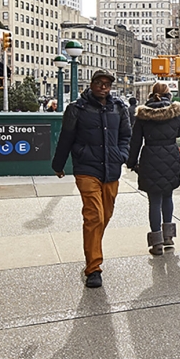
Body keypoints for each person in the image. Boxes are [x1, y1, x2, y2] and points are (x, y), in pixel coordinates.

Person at [52, 69, 131, 288]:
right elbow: (66, 138)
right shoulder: (77, 109)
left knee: (105, 215)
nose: (103, 87)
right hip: (87, 168)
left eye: (107, 84)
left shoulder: (118, 108)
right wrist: (58, 164)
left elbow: (126, 136)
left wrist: (122, 155)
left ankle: (92, 246)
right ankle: (93, 268)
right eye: (99, 83)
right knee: (94, 216)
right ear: (91, 84)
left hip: (111, 168)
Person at [127, 81, 180, 255]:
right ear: (168, 94)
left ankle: (157, 243)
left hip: (150, 157)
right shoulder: (175, 112)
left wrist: (131, 162)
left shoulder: (143, 114)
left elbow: (135, 140)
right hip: (170, 156)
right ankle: (169, 237)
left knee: (154, 201)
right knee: (168, 196)